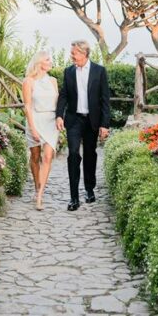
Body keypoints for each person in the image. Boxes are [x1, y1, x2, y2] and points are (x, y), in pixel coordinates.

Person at [55, 40, 111, 211]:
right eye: (72, 53)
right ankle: (74, 198)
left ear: (84, 53)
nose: (72, 56)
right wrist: (59, 115)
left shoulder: (99, 71)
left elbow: (104, 99)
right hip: (74, 120)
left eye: (75, 53)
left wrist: (104, 124)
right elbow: (64, 94)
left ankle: (89, 189)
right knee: (73, 155)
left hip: (92, 120)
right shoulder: (69, 71)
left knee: (89, 154)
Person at [22, 49, 59, 210]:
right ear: (39, 62)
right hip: (35, 119)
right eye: (47, 59)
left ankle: (40, 193)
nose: (50, 62)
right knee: (35, 155)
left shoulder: (53, 81)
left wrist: (60, 118)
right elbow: (27, 106)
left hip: (50, 121)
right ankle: (37, 186)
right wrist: (33, 128)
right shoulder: (28, 81)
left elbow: (58, 103)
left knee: (48, 157)